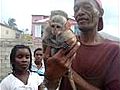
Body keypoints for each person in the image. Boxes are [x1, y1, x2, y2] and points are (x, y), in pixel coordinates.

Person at [43, 0, 120, 90]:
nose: (80, 12)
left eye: (87, 7)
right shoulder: (64, 44)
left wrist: (69, 73)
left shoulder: (114, 51)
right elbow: (51, 86)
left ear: (100, 12)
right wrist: (50, 76)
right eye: (76, 9)